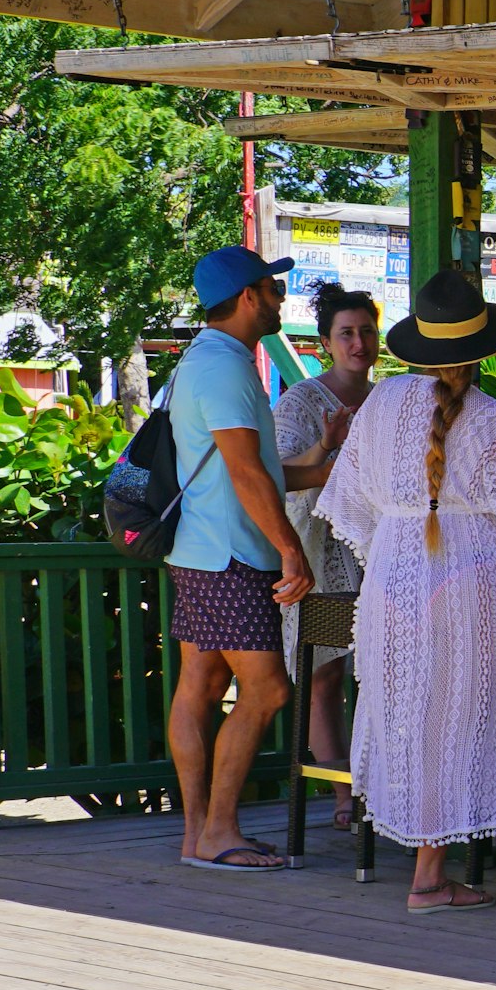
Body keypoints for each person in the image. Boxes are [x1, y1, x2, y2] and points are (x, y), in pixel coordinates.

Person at [319, 268, 496, 908]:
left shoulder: (383, 403)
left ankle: (420, 863)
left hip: (393, 582)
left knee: (408, 719)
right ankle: (429, 875)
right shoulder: (492, 420)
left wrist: (405, 543)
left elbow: (352, 509)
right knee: (456, 722)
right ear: (483, 347)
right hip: (469, 584)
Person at [164, 245, 315, 872]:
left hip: (197, 551)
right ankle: (221, 830)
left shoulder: (200, 359)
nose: (281, 299)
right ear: (250, 296)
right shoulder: (227, 367)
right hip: (232, 554)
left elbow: (260, 473)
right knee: (270, 689)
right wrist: (289, 547)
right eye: (274, 290)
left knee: (199, 685)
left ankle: (198, 832)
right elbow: (245, 471)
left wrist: (330, 466)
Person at [275, 286, 381, 827]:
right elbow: (280, 476)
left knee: (382, 674)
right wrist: (326, 445)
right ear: (325, 343)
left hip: (383, 554)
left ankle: (380, 787)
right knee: (324, 675)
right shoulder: (301, 400)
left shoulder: (389, 399)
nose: (359, 342)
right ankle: (344, 795)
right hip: (321, 551)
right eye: (347, 333)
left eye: (366, 331)